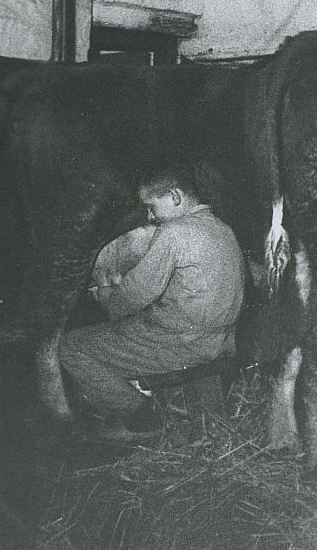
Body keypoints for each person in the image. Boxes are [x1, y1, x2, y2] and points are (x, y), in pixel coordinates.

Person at [58, 160, 245, 441]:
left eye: (151, 206)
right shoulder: (223, 229)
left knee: (73, 346)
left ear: (175, 197)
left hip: (184, 345)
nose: (149, 216)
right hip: (223, 341)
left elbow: (130, 299)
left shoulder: (174, 233)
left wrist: (104, 294)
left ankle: (141, 418)